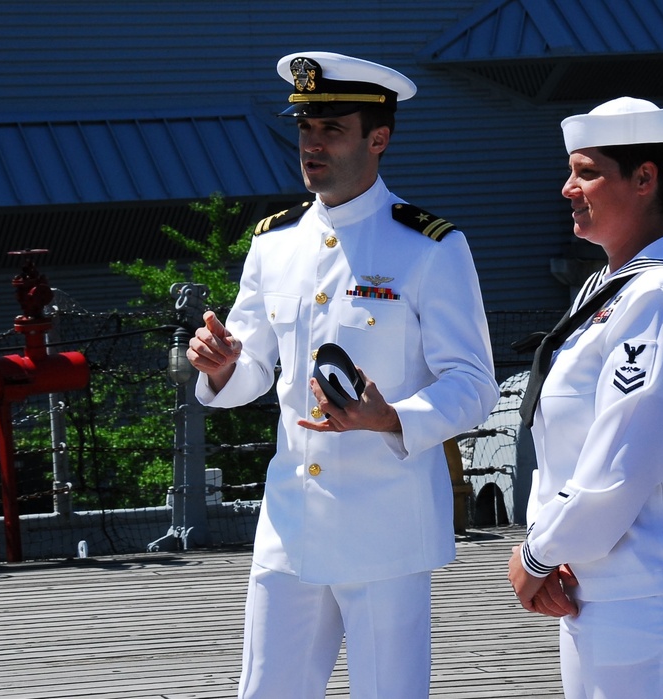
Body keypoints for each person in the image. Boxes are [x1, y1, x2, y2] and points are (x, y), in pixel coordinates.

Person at [187, 51, 498, 699]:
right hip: (290, 528)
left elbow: (473, 385)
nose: (311, 145)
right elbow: (252, 371)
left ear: (378, 137)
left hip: (386, 533)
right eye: (304, 128)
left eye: (331, 129)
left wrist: (391, 417)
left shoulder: (429, 247)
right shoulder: (275, 244)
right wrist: (221, 370)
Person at [507, 97, 663, 698]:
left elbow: (619, 464)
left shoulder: (658, 296)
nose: (567, 188)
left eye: (587, 172)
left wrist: (536, 555)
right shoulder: (611, 286)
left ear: (645, 179)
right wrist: (556, 549)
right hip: (613, 585)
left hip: (657, 591)